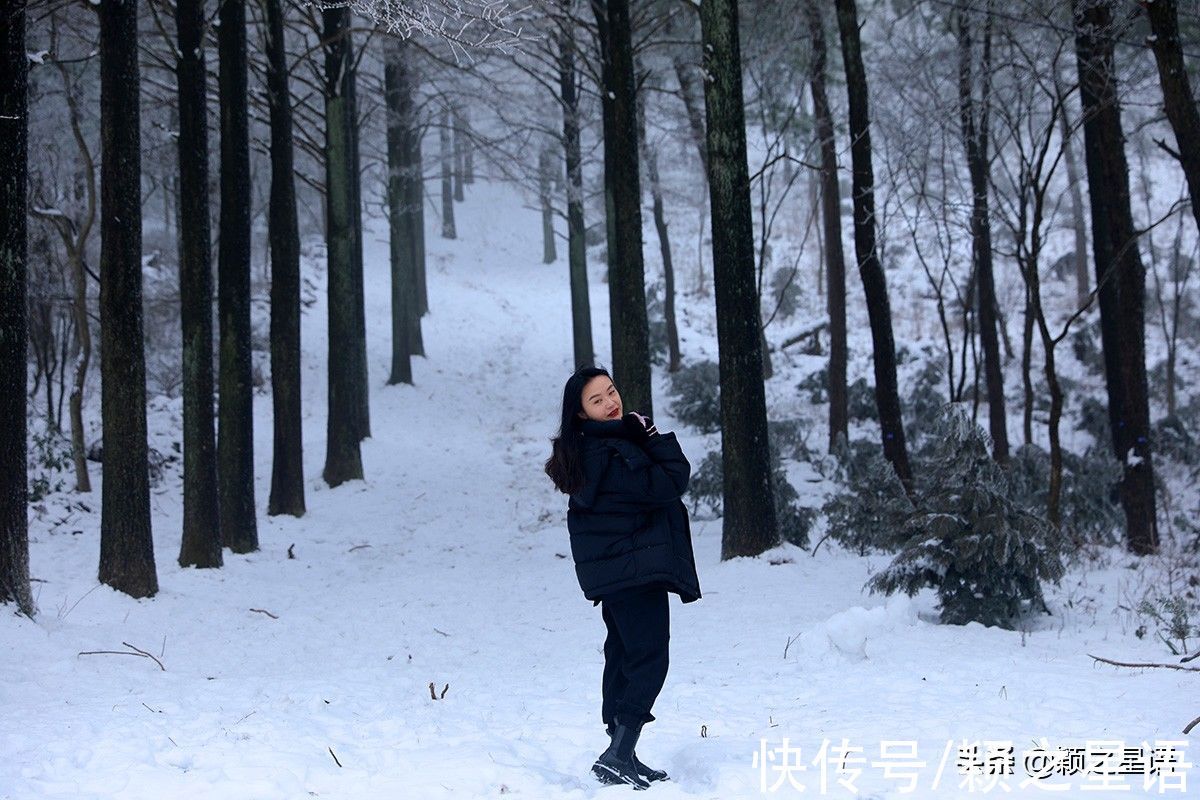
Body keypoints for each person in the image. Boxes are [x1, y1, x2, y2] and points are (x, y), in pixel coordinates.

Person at [545, 365, 702, 790]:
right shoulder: (615, 452)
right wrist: (650, 436)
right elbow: (671, 482)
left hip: (616, 572)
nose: (611, 402)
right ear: (581, 415)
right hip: (635, 570)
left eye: (611, 392)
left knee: (622, 655)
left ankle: (623, 752)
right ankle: (617, 752)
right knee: (650, 658)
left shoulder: (592, 450)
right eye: (597, 400)